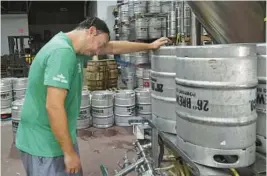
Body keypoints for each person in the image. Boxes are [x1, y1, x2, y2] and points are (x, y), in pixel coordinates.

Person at [15, 17, 169, 176]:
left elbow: (113, 47)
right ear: (91, 31)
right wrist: (68, 152)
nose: (98, 52)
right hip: (44, 144)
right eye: (99, 45)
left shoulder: (74, 48)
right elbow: (53, 106)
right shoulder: (62, 53)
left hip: (58, 136)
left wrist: (150, 46)